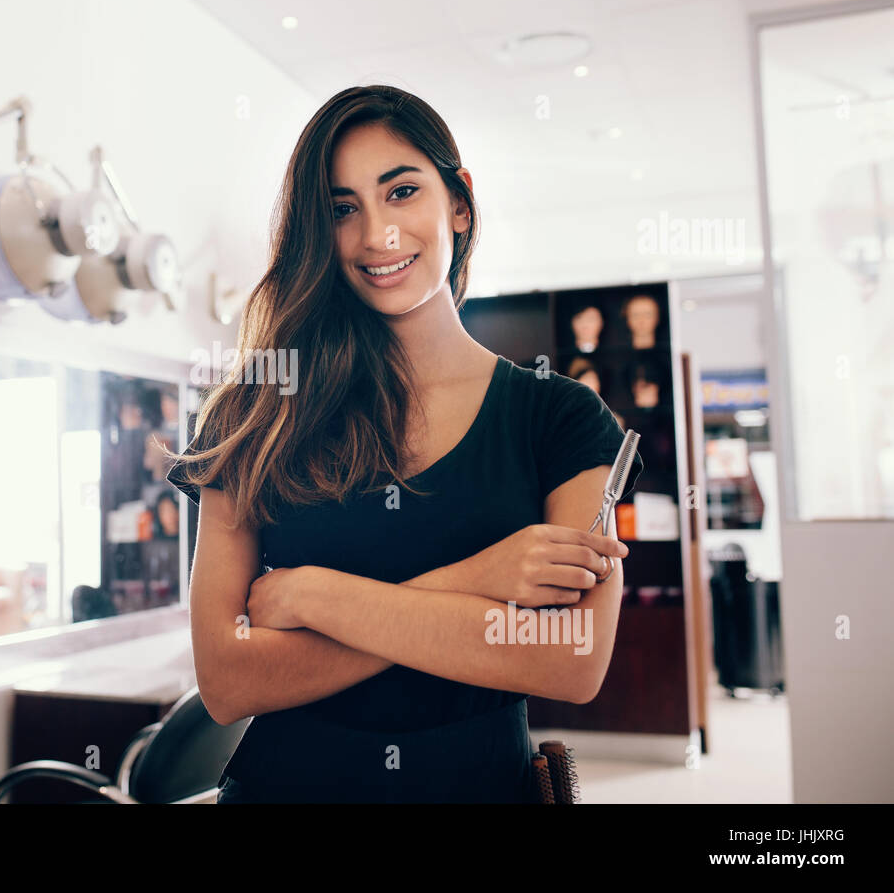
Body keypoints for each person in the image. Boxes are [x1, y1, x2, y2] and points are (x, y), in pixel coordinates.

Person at [164, 85, 642, 804]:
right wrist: (478, 578)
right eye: (342, 208)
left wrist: (311, 595)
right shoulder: (255, 413)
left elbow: (570, 660)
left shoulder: (560, 418)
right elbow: (228, 684)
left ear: (459, 201)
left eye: (402, 191)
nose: (377, 235)